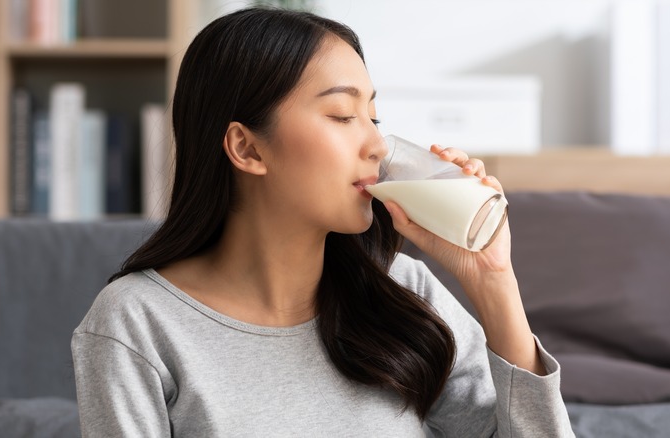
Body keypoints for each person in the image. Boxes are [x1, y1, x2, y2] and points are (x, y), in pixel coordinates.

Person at [71, 7, 574, 437]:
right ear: (246, 147)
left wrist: (492, 280)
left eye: (372, 117)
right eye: (341, 115)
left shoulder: (404, 294)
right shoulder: (136, 322)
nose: (377, 144)